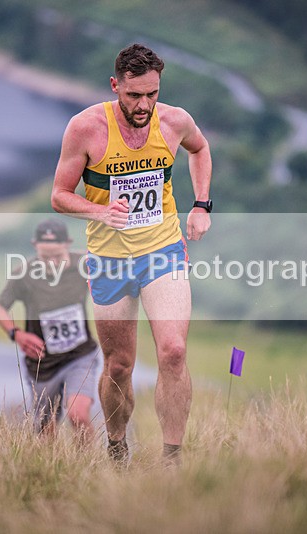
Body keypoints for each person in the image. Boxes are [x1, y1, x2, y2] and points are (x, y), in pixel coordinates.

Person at [51, 43, 213, 466]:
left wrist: (201, 204)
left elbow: (200, 149)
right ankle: (117, 443)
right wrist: (100, 211)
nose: (143, 105)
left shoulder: (175, 121)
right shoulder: (85, 128)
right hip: (109, 260)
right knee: (119, 365)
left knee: (173, 351)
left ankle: (172, 459)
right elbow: (59, 196)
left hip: (163, 251)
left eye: (151, 94)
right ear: (114, 86)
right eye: (133, 95)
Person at [0, 219, 100, 443]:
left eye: (57, 257)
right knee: (45, 430)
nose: (52, 263)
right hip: (42, 364)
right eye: (45, 257)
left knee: (78, 414)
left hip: (80, 356)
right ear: (35, 245)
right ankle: (51, 470)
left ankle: (90, 468)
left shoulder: (85, 264)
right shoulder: (23, 274)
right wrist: (17, 334)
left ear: (68, 244)